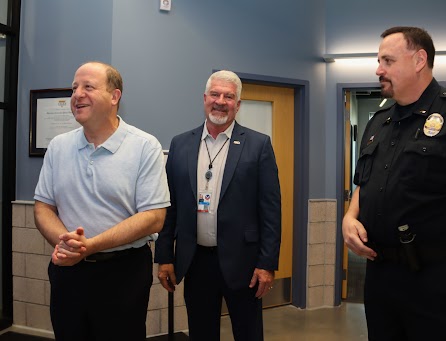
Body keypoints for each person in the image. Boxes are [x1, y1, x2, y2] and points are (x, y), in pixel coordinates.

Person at [342, 26, 446, 340]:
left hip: (438, 279)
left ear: (420, 60)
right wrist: (349, 218)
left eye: (387, 61)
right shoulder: (378, 122)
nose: (378, 69)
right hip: (380, 277)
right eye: (379, 60)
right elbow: (364, 183)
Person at [34, 61, 170, 341]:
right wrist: (66, 244)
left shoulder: (145, 146)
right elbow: (43, 207)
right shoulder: (59, 146)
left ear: (114, 96)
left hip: (123, 275)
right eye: (74, 88)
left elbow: (154, 217)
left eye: (88, 87)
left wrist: (91, 245)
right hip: (68, 272)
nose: (77, 94)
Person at [155, 70, 281, 341]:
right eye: (215, 94)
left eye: (229, 96)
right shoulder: (181, 144)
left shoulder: (258, 145)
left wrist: (267, 263)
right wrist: (164, 256)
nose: (220, 101)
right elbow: (170, 205)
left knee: (248, 333)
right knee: (201, 332)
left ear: (238, 104)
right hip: (196, 261)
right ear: (204, 98)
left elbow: (270, 210)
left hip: (244, 264)